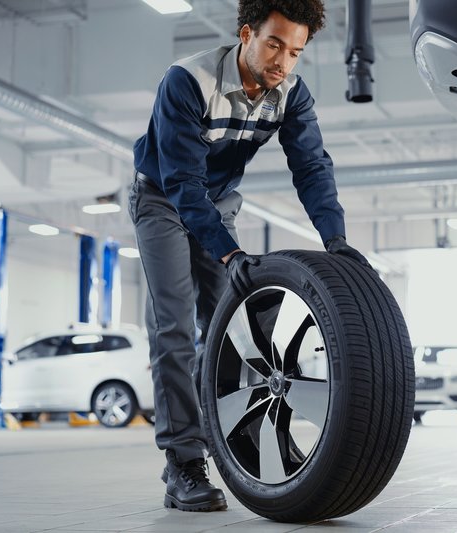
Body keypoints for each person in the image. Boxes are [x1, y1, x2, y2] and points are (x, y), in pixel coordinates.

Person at [129, 0, 370, 513]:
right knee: (174, 326)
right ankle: (182, 465)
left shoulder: (291, 94)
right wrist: (230, 251)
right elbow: (182, 184)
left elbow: (311, 167)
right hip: (163, 198)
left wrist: (336, 240)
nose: (284, 61)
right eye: (275, 44)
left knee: (230, 328)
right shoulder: (187, 82)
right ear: (246, 34)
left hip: (217, 203)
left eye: (297, 52)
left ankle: (231, 439)